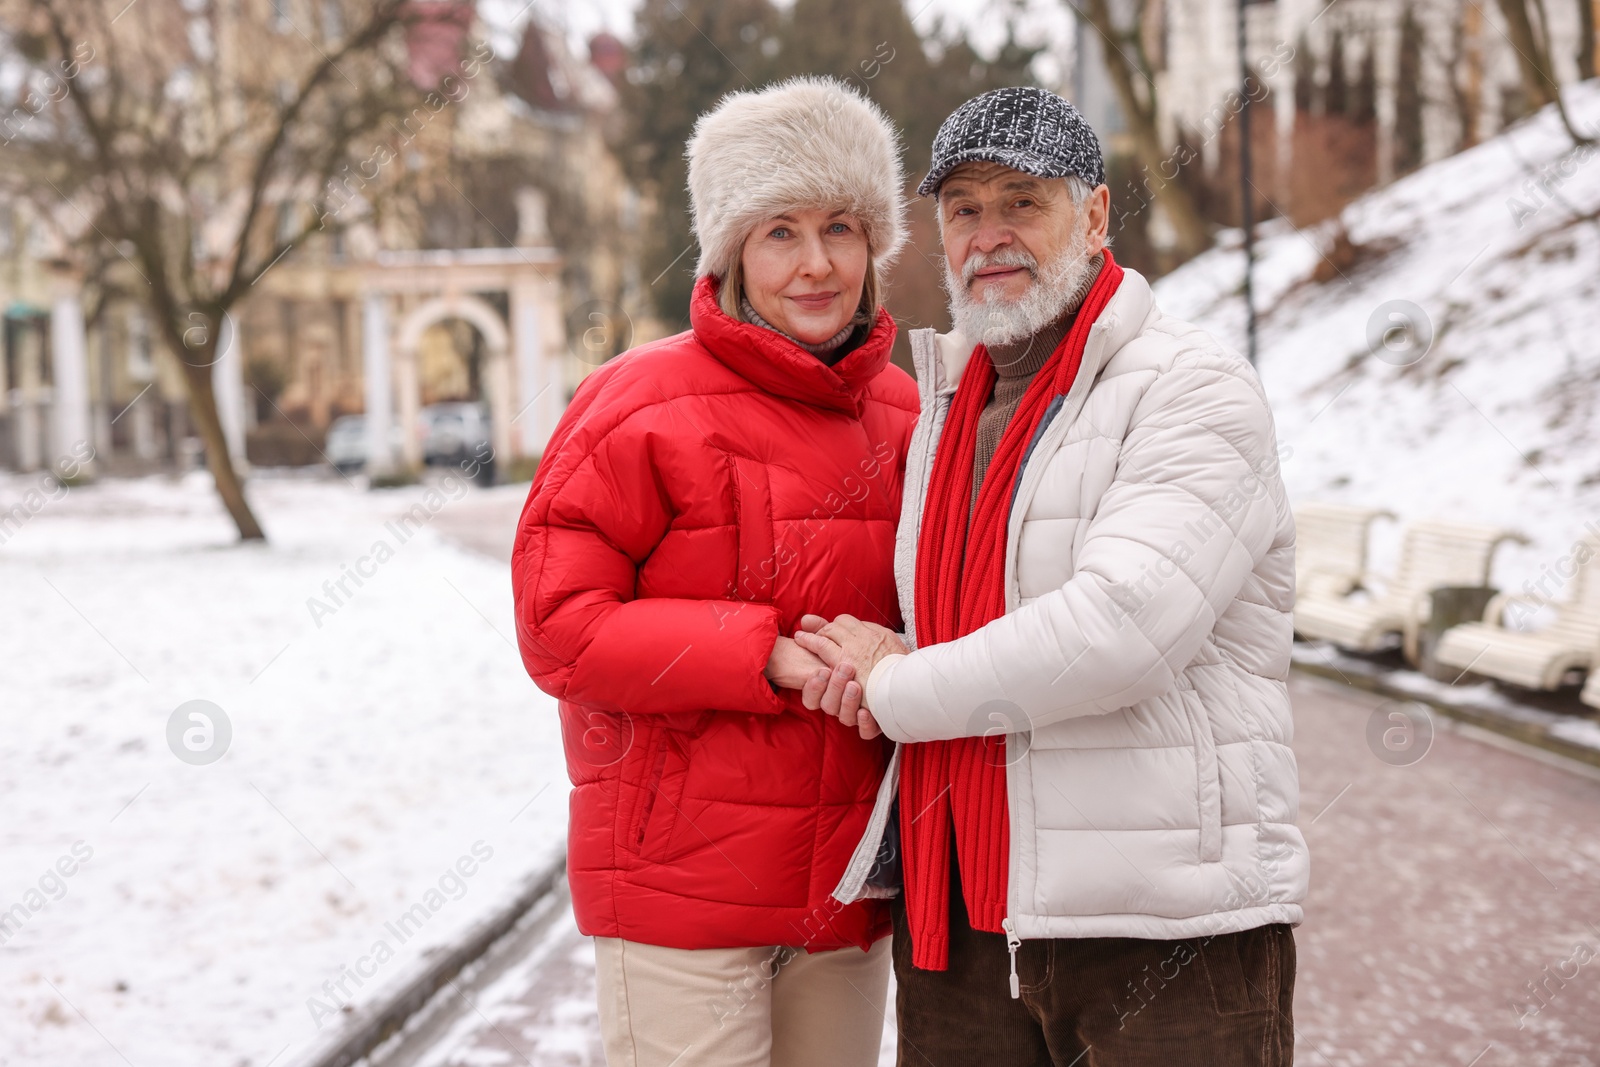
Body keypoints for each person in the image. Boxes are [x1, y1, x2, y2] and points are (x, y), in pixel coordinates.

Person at [795, 86, 1310, 1066]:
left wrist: (893, 682)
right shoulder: (948, 402)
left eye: (1021, 201)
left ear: (1095, 213)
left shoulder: (1189, 386)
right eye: (964, 209)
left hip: (1160, 933)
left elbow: (1120, 628)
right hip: (961, 931)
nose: (990, 234)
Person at [510, 77, 917, 1067]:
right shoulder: (636, 402)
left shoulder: (911, 413)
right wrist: (765, 654)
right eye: (779, 231)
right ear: (730, 247)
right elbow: (558, 625)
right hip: (677, 897)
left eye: (840, 227)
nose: (816, 262)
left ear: (875, 245)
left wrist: (908, 657)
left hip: (845, 896)